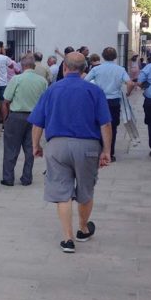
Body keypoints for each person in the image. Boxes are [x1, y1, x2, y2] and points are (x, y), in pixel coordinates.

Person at [29, 53, 112, 253]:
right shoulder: (94, 91)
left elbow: (38, 122)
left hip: (57, 145)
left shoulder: (52, 90)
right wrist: (107, 150)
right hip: (87, 146)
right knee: (85, 189)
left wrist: (35, 146)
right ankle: (83, 228)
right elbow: (105, 123)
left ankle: (67, 239)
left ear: (64, 68)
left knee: (61, 191)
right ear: (84, 69)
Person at [0, 55, 47, 186]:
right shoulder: (42, 81)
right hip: (35, 117)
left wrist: (5, 119)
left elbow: (6, 100)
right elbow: (44, 102)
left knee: (11, 148)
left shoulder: (17, 79)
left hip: (16, 116)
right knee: (31, 148)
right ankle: (27, 177)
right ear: (34, 66)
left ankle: (8, 178)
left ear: (22, 65)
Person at [84, 47, 134, 162]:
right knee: (113, 126)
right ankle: (110, 152)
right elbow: (130, 83)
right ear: (115, 57)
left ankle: (99, 150)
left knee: (97, 124)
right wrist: (128, 93)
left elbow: (85, 81)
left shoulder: (97, 69)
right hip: (114, 101)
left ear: (103, 56)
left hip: (99, 100)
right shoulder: (120, 69)